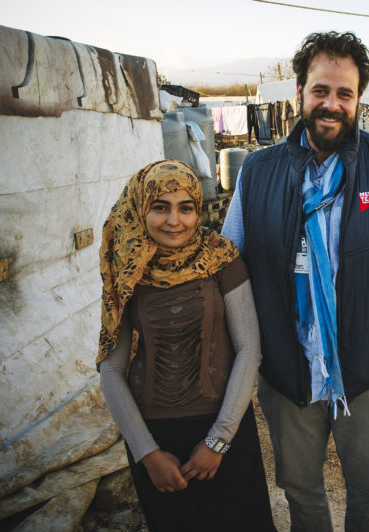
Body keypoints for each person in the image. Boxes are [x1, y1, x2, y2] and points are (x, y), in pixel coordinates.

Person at [221, 31, 369, 531]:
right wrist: (253, 344)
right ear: (300, 91)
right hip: (286, 365)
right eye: (321, 90)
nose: (331, 104)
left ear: (359, 99)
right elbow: (231, 263)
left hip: (366, 368)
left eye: (344, 93)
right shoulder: (257, 173)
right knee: (300, 490)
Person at [97, 160, 275, 531]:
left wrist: (218, 441)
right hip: (156, 439)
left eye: (186, 208)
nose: (174, 221)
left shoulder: (220, 258)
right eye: (160, 207)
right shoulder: (127, 267)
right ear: (140, 208)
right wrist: (147, 454)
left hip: (224, 427)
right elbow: (111, 370)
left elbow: (249, 349)